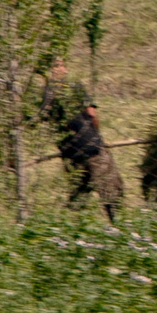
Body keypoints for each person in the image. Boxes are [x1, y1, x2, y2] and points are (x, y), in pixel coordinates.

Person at [41, 60, 124, 220]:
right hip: (92, 148)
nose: (64, 70)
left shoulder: (45, 95)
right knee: (111, 191)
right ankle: (118, 226)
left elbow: (43, 121)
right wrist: (97, 137)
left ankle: (76, 231)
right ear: (50, 70)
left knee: (79, 195)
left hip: (70, 152)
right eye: (58, 66)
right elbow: (92, 113)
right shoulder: (74, 87)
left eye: (63, 66)